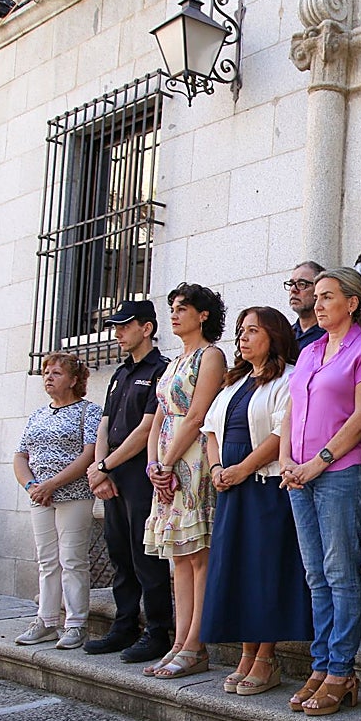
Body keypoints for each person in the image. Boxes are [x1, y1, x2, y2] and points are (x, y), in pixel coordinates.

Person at [280, 268, 361, 716]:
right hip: (296, 476)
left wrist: (316, 462)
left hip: (340, 472)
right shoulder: (310, 351)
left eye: (326, 296)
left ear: (353, 302)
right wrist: (285, 460)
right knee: (315, 575)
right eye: (314, 297)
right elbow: (291, 411)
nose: (317, 303)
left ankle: (341, 671)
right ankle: (320, 666)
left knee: (341, 574)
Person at [201, 306, 312, 696]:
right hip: (232, 487)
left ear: (274, 336)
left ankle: (266, 657)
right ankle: (247, 652)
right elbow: (210, 429)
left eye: (252, 331)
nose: (243, 338)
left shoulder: (290, 377)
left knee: (265, 570)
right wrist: (217, 469)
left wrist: (243, 468)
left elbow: (284, 432)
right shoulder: (235, 381)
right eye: (240, 331)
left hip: (264, 486)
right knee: (239, 568)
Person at [142, 283, 227, 677]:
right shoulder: (174, 361)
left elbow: (196, 416)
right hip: (166, 460)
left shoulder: (211, 356)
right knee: (177, 555)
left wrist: (169, 461)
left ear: (203, 315)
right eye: (172, 308)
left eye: (182, 308)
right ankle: (179, 640)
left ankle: (196, 644)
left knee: (197, 554)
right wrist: (153, 464)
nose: (174, 315)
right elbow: (159, 413)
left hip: (191, 458)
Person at [83, 301, 175, 663]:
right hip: (112, 470)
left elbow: (147, 427)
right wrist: (100, 470)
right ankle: (124, 625)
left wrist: (105, 465)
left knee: (145, 554)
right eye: (116, 326)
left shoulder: (159, 370)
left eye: (125, 325)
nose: (118, 332)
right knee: (119, 551)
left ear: (147, 328)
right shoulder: (120, 373)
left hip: (139, 471)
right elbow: (106, 423)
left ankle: (157, 630)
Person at [12, 353, 101, 650]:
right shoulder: (37, 415)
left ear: (75, 380)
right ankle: (47, 620)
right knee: (46, 560)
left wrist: (52, 483)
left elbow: (89, 453)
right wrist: (31, 485)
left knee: (72, 559)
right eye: (46, 372)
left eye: (57, 373)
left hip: (73, 495)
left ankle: (76, 624)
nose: (49, 376)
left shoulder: (88, 411)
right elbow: (20, 455)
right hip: (40, 497)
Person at [287, 261, 326, 356]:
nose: (293, 290)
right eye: (291, 284)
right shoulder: (286, 334)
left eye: (302, 284)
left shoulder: (331, 334)